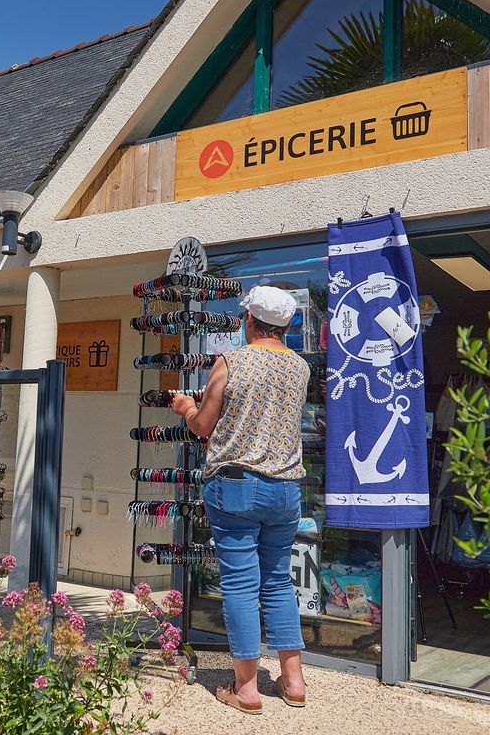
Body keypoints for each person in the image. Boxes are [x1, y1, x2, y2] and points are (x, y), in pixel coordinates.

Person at [171, 285, 310, 715]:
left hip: (235, 483)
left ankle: (246, 688)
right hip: (287, 486)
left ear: (249, 320)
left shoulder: (231, 361)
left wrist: (184, 408)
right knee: (277, 580)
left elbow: (203, 424)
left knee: (240, 584)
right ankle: (293, 681)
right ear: (285, 326)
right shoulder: (300, 367)